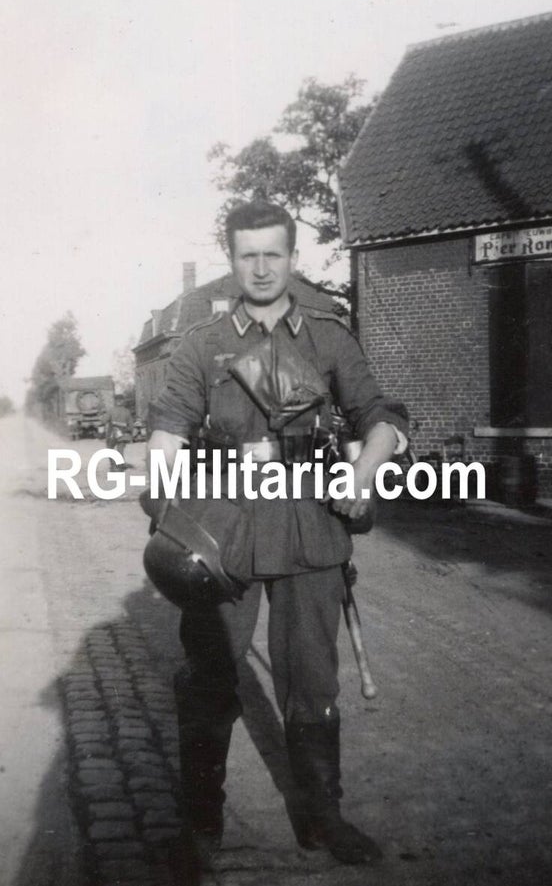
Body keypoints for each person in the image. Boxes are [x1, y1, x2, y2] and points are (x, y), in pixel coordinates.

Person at [146, 201, 408, 871]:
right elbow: (170, 429)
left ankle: (325, 819)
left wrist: (364, 473)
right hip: (225, 533)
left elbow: (380, 416)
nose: (261, 268)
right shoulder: (202, 343)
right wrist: (169, 503)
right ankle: (200, 830)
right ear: (231, 260)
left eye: (273, 254)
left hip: (311, 531)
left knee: (313, 680)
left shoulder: (327, 335)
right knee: (208, 679)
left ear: (293, 257)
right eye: (247, 255)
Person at [105, 394, 133, 469]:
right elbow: (131, 425)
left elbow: (104, 420)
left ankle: (112, 466)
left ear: (115, 401)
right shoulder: (127, 411)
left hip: (112, 433)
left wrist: (101, 418)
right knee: (120, 449)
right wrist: (130, 433)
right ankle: (120, 465)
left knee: (109, 449)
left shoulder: (111, 410)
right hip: (123, 434)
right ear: (123, 401)